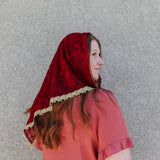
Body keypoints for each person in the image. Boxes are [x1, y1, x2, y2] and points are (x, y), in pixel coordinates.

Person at [24, 32, 134, 160]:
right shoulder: (101, 100)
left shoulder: (46, 112)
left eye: (99, 55)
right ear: (77, 58)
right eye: (94, 54)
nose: (101, 61)